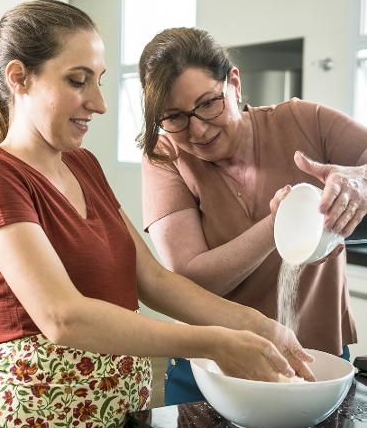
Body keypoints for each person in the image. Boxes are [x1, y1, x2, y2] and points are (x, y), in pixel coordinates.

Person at [0, 1, 313, 428]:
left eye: (99, 79)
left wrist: (255, 324)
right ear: (19, 78)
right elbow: (62, 317)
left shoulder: (84, 166)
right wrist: (213, 343)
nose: (99, 102)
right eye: (77, 80)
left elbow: (154, 281)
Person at [139, 26, 367, 407]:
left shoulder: (304, 121)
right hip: (212, 367)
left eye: (209, 103)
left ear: (234, 83)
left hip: (314, 363)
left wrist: (359, 179)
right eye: (174, 117)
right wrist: (275, 228)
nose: (197, 130)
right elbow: (193, 277)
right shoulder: (165, 156)